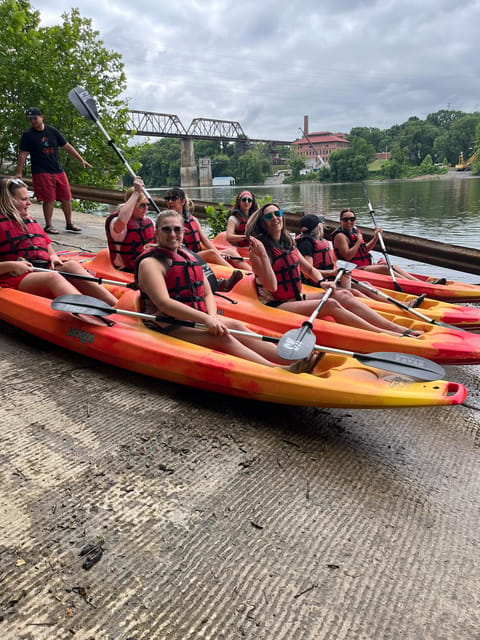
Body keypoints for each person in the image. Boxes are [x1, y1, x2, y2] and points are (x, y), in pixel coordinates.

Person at [134, 209, 320, 373]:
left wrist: (212, 316)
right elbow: (163, 303)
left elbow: (207, 293)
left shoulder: (186, 256)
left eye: (177, 229)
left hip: (195, 316)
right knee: (223, 339)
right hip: (166, 323)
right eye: (166, 229)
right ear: (156, 232)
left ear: (183, 231)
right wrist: (206, 320)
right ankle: (279, 370)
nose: (173, 234)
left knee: (237, 327)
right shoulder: (150, 263)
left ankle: (292, 358)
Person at [245, 203, 423, 337]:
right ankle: (384, 334)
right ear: (263, 222)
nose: (275, 218)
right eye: (269, 216)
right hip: (277, 304)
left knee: (343, 294)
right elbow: (272, 286)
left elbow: (308, 268)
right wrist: (261, 256)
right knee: (331, 304)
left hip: (297, 297)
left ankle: (393, 327)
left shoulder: (288, 243)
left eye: (278, 213)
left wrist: (322, 282)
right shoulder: (259, 250)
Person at [0, 177, 117, 307]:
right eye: (23, 199)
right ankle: (90, 311)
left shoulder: (29, 220)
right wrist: (11, 266)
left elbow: (45, 242)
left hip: (41, 268)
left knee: (71, 266)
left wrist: (53, 256)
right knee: (53, 278)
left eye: (28, 198)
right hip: (14, 276)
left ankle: (117, 306)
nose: (29, 203)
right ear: (8, 201)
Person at [15, 107, 92, 235]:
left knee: (66, 197)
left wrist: (81, 159)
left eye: (35, 118)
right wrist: (19, 172)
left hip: (57, 169)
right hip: (41, 170)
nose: (33, 121)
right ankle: (49, 225)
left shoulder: (52, 131)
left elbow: (66, 146)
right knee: (49, 198)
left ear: (42, 117)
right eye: (30, 119)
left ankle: (69, 223)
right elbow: (23, 154)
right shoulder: (28, 135)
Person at [331, 208, 446, 284]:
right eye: (346, 219)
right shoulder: (340, 236)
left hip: (365, 265)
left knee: (393, 266)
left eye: (352, 219)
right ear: (341, 221)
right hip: (354, 268)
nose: (349, 222)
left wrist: (376, 237)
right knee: (385, 268)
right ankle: (416, 285)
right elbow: (348, 257)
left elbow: (364, 250)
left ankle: (422, 283)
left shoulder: (355, 231)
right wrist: (358, 241)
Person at [164, 187, 244, 290]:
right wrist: (215, 253)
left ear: (183, 201)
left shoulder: (193, 220)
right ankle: (239, 277)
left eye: (174, 198)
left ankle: (250, 273)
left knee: (231, 251)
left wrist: (220, 253)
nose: (170, 202)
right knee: (211, 254)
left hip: (197, 253)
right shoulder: (168, 222)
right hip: (186, 257)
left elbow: (205, 240)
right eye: (167, 199)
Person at [105, 176, 155, 272]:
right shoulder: (116, 222)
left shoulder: (148, 221)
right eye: (142, 205)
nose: (146, 208)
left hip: (147, 266)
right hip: (126, 269)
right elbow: (123, 220)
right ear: (132, 205)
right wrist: (136, 192)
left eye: (147, 205)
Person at [224, 191, 257, 270]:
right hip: (238, 248)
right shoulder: (233, 219)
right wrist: (246, 237)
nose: (246, 202)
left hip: (251, 248)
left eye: (249, 200)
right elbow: (229, 237)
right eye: (244, 200)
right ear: (239, 202)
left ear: (252, 203)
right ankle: (250, 271)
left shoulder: (254, 217)